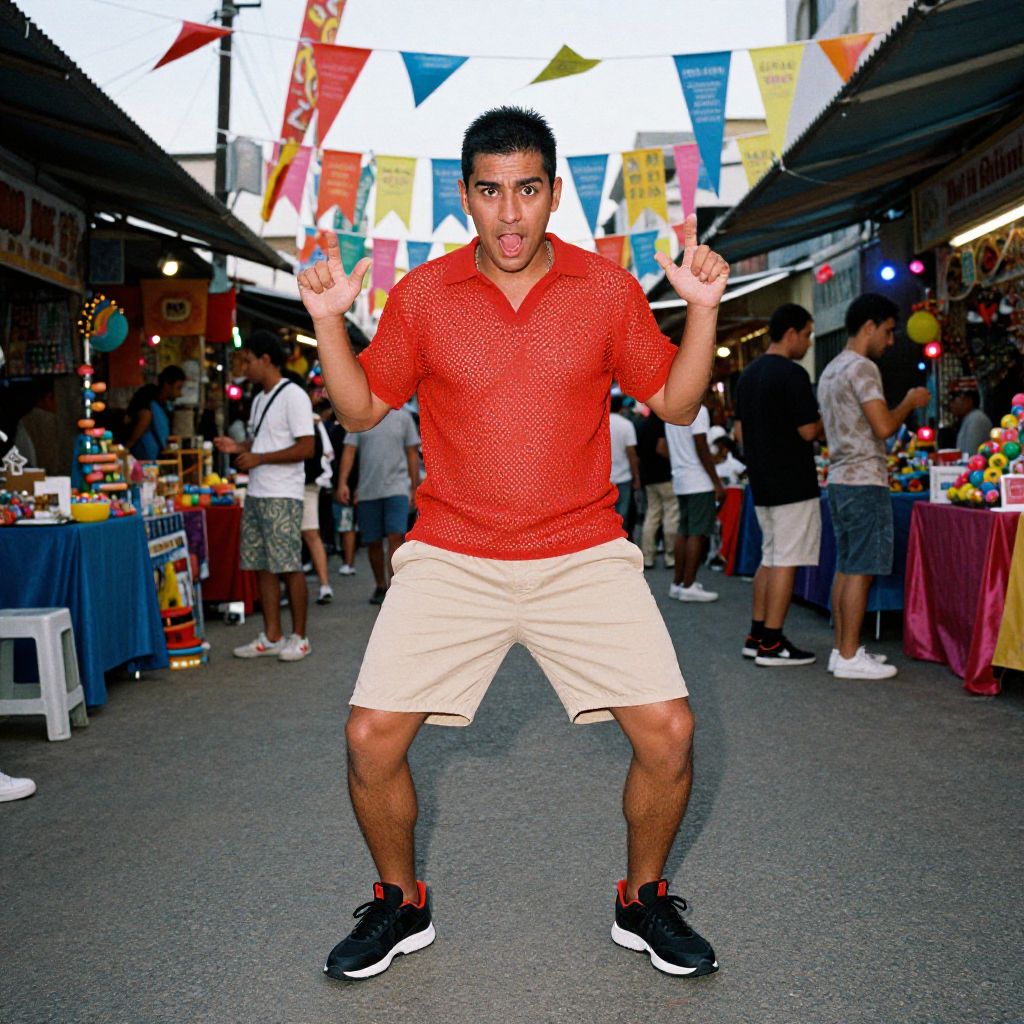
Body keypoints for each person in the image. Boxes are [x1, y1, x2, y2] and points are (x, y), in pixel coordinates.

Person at [299, 106, 729, 981]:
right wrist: (329, 321)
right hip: (453, 552)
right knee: (371, 736)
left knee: (671, 732)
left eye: (526, 190)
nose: (508, 214)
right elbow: (361, 410)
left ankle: (642, 899)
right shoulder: (424, 294)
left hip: (582, 550)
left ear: (554, 193)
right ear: (465, 196)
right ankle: (400, 902)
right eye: (490, 192)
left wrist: (704, 310)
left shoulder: (605, 289)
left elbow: (678, 404)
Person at [818, 294, 930, 680]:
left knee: (847, 566)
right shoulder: (863, 367)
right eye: (887, 331)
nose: (890, 340)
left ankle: (842, 650)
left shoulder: (831, 369)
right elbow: (883, 426)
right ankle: (849, 656)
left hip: (839, 479)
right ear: (869, 326)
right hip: (864, 479)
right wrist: (910, 402)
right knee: (861, 570)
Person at [214, 331, 315, 662]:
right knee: (262, 566)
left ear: (265, 360)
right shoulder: (259, 398)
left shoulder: (294, 396)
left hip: (283, 493)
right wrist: (239, 447)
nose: (244, 367)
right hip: (258, 492)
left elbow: (307, 447)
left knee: (288, 565)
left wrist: (260, 458)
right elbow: (263, 442)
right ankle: (272, 635)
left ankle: (300, 637)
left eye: (248, 360)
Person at [734, 304, 821, 667]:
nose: (809, 342)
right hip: (793, 482)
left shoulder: (747, 375)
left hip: (762, 481)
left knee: (770, 557)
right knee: (786, 560)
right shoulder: (792, 374)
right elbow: (809, 430)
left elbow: (739, 433)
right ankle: (772, 642)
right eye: (807, 335)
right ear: (791, 333)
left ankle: (757, 635)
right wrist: (824, 421)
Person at [339, 406, 420, 605]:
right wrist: (342, 483)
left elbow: (412, 453)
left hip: (397, 488)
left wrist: (414, 487)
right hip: (368, 490)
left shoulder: (403, 417)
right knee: (373, 541)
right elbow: (349, 451)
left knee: (395, 536)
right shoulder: (360, 414)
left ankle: (394, 587)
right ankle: (380, 584)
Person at [666, 406, 725, 602]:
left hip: (680, 477)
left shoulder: (671, 410)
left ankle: (678, 583)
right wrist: (716, 482)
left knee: (683, 531)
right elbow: (701, 444)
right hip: (698, 480)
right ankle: (689, 585)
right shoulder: (698, 410)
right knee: (697, 533)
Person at [637, 409, 678, 570]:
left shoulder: (642, 425)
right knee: (671, 514)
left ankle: (648, 556)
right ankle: (671, 556)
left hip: (648, 476)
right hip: (664, 475)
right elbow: (661, 448)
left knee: (652, 515)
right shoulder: (661, 423)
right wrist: (675, 459)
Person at [303, 401, 335, 606]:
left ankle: (324, 584)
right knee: (311, 535)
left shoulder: (312, 421)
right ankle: (324, 585)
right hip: (309, 483)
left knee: (311, 534)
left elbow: (323, 453)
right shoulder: (313, 421)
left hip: (305, 483)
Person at [124, 366, 185, 460]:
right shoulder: (149, 396)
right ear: (167, 385)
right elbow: (145, 418)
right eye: (178, 388)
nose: (180, 394)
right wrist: (127, 447)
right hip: (143, 454)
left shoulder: (165, 404)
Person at [609, 393, 640, 527]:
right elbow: (632, 454)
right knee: (623, 516)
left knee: (607, 517)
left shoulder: (599, 424)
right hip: (623, 478)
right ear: (621, 408)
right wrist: (636, 478)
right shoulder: (626, 425)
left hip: (605, 480)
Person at [950, 386, 992, 456]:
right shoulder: (970, 418)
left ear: (968, 400)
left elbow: (971, 453)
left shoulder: (976, 419)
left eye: (954, 399)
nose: (951, 404)